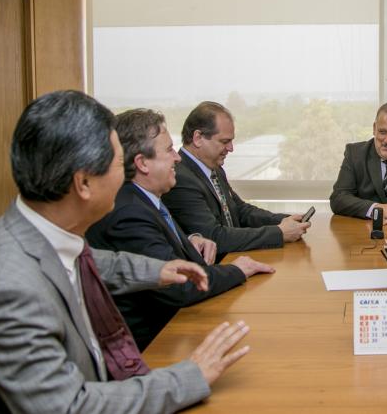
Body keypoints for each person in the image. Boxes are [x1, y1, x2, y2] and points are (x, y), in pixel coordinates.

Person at [0, 90, 253, 413]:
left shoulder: (38, 231)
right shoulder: (9, 292)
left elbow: (90, 261)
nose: (127, 176)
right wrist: (190, 376)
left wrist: (158, 270)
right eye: (119, 164)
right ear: (84, 183)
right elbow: (72, 408)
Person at [87, 109, 275, 350]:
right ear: (142, 163)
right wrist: (237, 270)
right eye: (168, 150)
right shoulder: (129, 213)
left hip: (178, 329)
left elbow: (158, 250)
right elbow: (179, 287)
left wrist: (189, 240)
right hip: (156, 348)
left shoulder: (143, 199)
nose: (177, 158)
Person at [162, 102, 310, 255]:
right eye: (225, 142)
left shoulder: (214, 168)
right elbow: (213, 237)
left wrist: (284, 220)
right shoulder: (179, 178)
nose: (231, 148)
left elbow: (239, 211)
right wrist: (279, 233)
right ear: (198, 138)